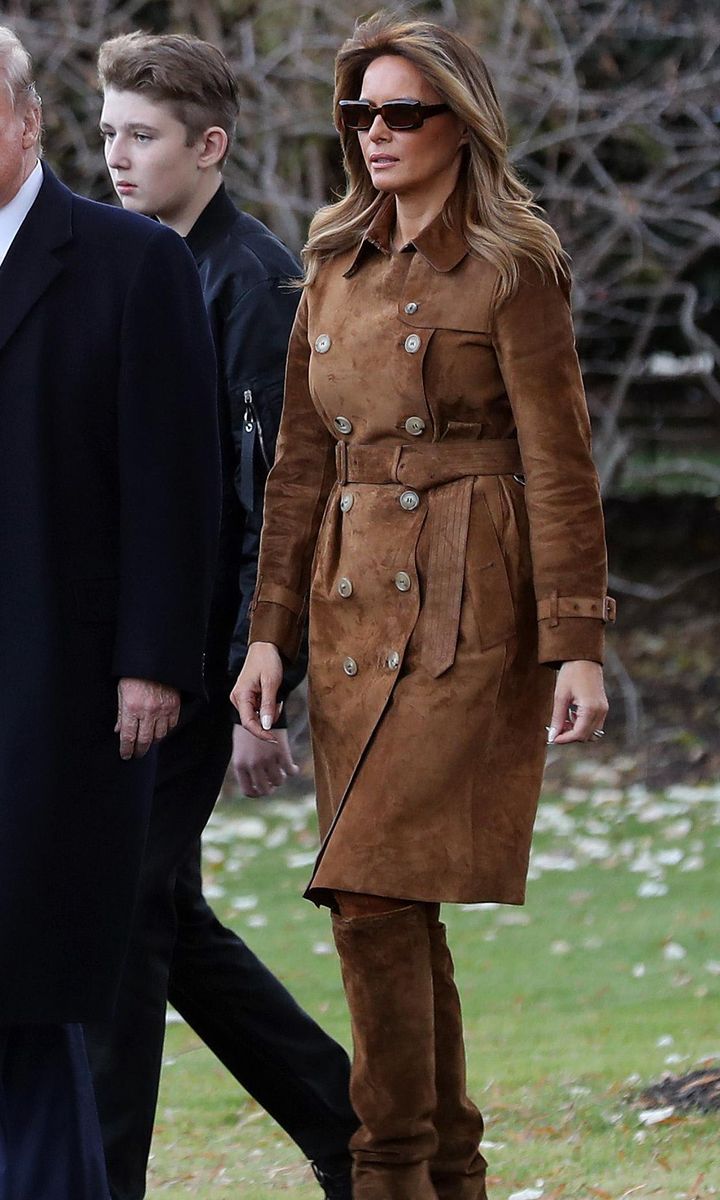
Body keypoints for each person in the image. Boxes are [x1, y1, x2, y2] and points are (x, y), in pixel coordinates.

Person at [231, 11, 615, 1200]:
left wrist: (580, 647)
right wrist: (266, 634)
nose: (377, 132)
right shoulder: (333, 260)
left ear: (462, 123)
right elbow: (299, 466)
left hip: (467, 610)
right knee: (383, 900)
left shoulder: (513, 264)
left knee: (374, 896)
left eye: (404, 111)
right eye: (360, 111)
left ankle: (390, 1173)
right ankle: (446, 1173)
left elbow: (560, 461)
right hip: (349, 618)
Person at [87, 33, 356, 1200]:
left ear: (210, 145)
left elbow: (276, 500)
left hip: (197, 666)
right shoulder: (138, 264)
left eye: (141, 136)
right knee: (159, 912)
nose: (117, 157)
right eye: (105, 132)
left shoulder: (249, 283)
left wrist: (264, 682)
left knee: (133, 915)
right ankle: (357, 1131)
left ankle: (105, 1175)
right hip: (126, 653)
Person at [0, 25, 220, 1200]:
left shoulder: (132, 262)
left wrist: (154, 661)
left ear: (29, 122)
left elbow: (175, 484)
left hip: (66, 687)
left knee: (34, 969)